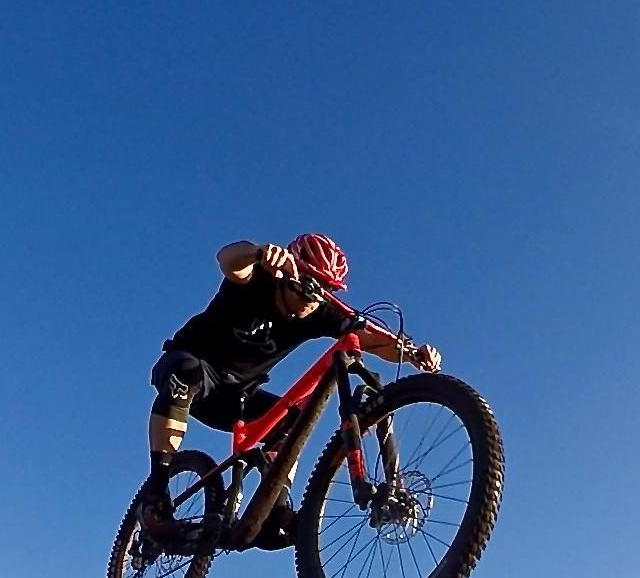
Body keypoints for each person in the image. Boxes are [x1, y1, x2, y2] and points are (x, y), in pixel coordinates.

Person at [141, 233, 441, 548]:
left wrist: (411, 354)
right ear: (289, 274)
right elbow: (228, 260)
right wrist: (257, 253)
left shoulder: (319, 311)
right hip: (190, 363)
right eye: (307, 286)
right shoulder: (259, 281)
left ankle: (276, 509)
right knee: (186, 375)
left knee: (289, 421)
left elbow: (372, 341)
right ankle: (157, 493)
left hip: (235, 395)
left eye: (323, 291)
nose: (312, 299)